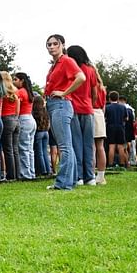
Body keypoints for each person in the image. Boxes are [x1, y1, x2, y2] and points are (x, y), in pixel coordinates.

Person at [43, 34, 85, 190]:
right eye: (49, 44)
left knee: (64, 146)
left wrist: (64, 92)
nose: (52, 46)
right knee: (67, 145)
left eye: (55, 43)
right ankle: (70, 180)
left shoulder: (66, 61)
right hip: (55, 105)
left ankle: (63, 183)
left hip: (61, 104)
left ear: (62, 45)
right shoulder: (54, 64)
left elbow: (81, 77)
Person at [65, 45, 98, 186]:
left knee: (76, 144)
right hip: (88, 109)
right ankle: (90, 177)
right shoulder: (90, 70)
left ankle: (79, 176)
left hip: (73, 109)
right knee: (89, 145)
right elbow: (94, 92)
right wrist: (91, 104)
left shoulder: (70, 69)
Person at [13, 72, 36, 180]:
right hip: (31, 119)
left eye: (16, 79)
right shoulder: (29, 91)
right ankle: (31, 172)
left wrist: (15, 118)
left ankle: (25, 174)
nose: (14, 82)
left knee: (23, 148)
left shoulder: (20, 92)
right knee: (30, 149)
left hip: (23, 119)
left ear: (21, 81)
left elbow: (17, 107)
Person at [0, 70, 20, 181]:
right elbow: (18, 108)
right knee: (15, 149)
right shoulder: (15, 91)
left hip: (6, 119)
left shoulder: (2, 91)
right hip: (15, 119)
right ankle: (17, 173)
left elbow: (1, 108)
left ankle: (10, 175)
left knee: (7, 149)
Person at [105, 91, 128, 170]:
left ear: (109, 98)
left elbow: (105, 118)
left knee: (111, 146)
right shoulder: (123, 107)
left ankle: (110, 165)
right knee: (120, 146)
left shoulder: (107, 107)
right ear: (118, 98)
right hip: (120, 127)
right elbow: (126, 118)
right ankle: (122, 165)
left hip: (110, 127)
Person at [93, 73, 109, 185]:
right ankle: (101, 176)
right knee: (100, 147)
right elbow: (103, 107)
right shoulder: (102, 89)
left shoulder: (91, 86)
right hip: (99, 114)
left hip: (91, 111)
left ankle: (90, 174)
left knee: (92, 147)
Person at [32, 95, 52, 176]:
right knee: (45, 152)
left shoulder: (35, 112)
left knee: (39, 152)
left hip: (39, 133)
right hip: (46, 132)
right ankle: (48, 169)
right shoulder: (45, 111)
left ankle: (42, 170)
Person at [119, 95, 137, 167]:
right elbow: (133, 121)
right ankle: (130, 161)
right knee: (129, 146)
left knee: (124, 147)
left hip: (123, 130)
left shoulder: (122, 109)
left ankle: (126, 163)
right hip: (130, 130)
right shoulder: (131, 110)